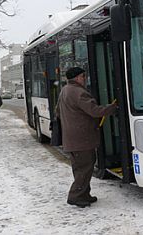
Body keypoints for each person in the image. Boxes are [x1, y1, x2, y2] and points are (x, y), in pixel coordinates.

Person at [56, 67, 117, 208]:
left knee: (80, 169)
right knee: (84, 168)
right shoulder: (79, 92)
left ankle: (84, 194)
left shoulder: (65, 90)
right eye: (84, 76)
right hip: (81, 139)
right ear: (77, 78)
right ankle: (75, 196)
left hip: (72, 139)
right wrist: (112, 108)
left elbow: (58, 112)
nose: (85, 78)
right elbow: (95, 111)